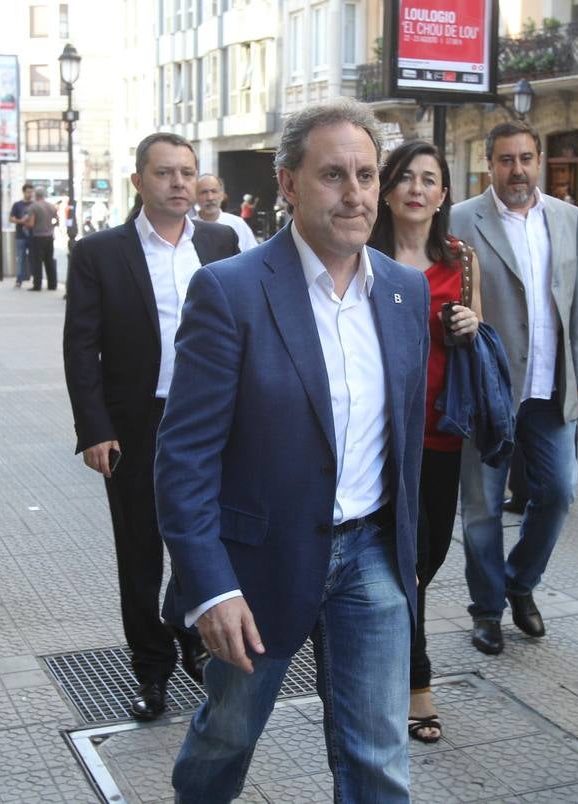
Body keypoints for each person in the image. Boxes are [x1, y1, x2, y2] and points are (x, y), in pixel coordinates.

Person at [155, 100, 429, 802]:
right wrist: (209, 586)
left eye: (367, 175)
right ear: (287, 183)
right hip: (258, 563)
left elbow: (404, 438)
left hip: (370, 555)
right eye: (334, 174)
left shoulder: (404, 291)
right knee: (228, 735)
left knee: (378, 755)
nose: (357, 193)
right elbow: (184, 458)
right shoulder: (231, 292)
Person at [62, 132, 240, 720]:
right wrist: (94, 428)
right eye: (165, 173)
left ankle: (194, 636)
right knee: (140, 550)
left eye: (188, 172)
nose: (180, 184)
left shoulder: (219, 241)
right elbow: (80, 346)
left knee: (207, 540)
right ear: (138, 181)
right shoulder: (99, 253)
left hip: (213, 421)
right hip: (137, 422)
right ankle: (151, 669)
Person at [448, 121, 578, 656]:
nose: (518, 170)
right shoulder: (462, 218)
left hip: (550, 388)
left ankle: (520, 582)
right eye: (506, 159)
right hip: (490, 389)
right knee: (483, 508)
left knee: (558, 492)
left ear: (540, 161)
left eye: (526, 158)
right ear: (490, 164)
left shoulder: (567, 217)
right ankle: (486, 609)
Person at [368, 140, 481, 745]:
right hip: (382, 433)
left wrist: (469, 324)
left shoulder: (460, 258)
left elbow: (475, 332)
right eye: (406, 178)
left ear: (443, 195)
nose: (417, 188)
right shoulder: (366, 253)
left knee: (429, 556)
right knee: (406, 560)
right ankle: (416, 682)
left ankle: (382, 642)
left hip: (441, 427)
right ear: (387, 190)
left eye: (429, 179)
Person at [194, 174, 257, 251]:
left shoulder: (238, 224)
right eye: (204, 192)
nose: (210, 197)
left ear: (222, 195)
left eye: (214, 191)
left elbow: (252, 254)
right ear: (195, 197)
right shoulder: (188, 228)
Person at [24, 189, 59, 291]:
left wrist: (24, 224)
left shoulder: (33, 207)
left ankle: (37, 284)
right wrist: (50, 227)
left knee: (37, 261)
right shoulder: (51, 206)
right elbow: (57, 221)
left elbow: (31, 223)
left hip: (38, 236)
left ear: (36, 196)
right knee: (49, 260)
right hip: (49, 236)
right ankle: (52, 284)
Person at [9, 184, 35, 288]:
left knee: (34, 258)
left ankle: (35, 280)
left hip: (33, 235)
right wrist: (21, 221)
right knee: (20, 257)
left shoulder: (34, 204)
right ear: (24, 192)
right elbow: (11, 218)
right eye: (28, 192)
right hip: (20, 235)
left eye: (31, 192)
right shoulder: (17, 205)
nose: (30, 194)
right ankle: (19, 279)